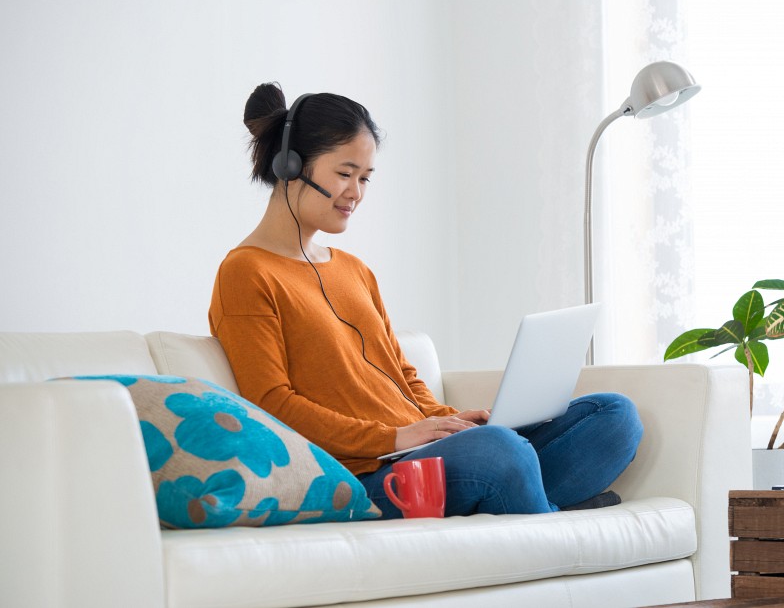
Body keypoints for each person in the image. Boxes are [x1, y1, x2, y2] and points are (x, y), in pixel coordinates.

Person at [208, 82, 644, 518]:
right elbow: (272, 406)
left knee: (614, 416)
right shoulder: (246, 272)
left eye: (365, 178)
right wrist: (395, 439)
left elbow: (402, 375)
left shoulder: (354, 270)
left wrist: (449, 420)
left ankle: (524, 499)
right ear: (290, 165)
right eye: (344, 173)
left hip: (425, 451)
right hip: (369, 475)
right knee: (499, 451)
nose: (356, 192)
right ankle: (542, 510)